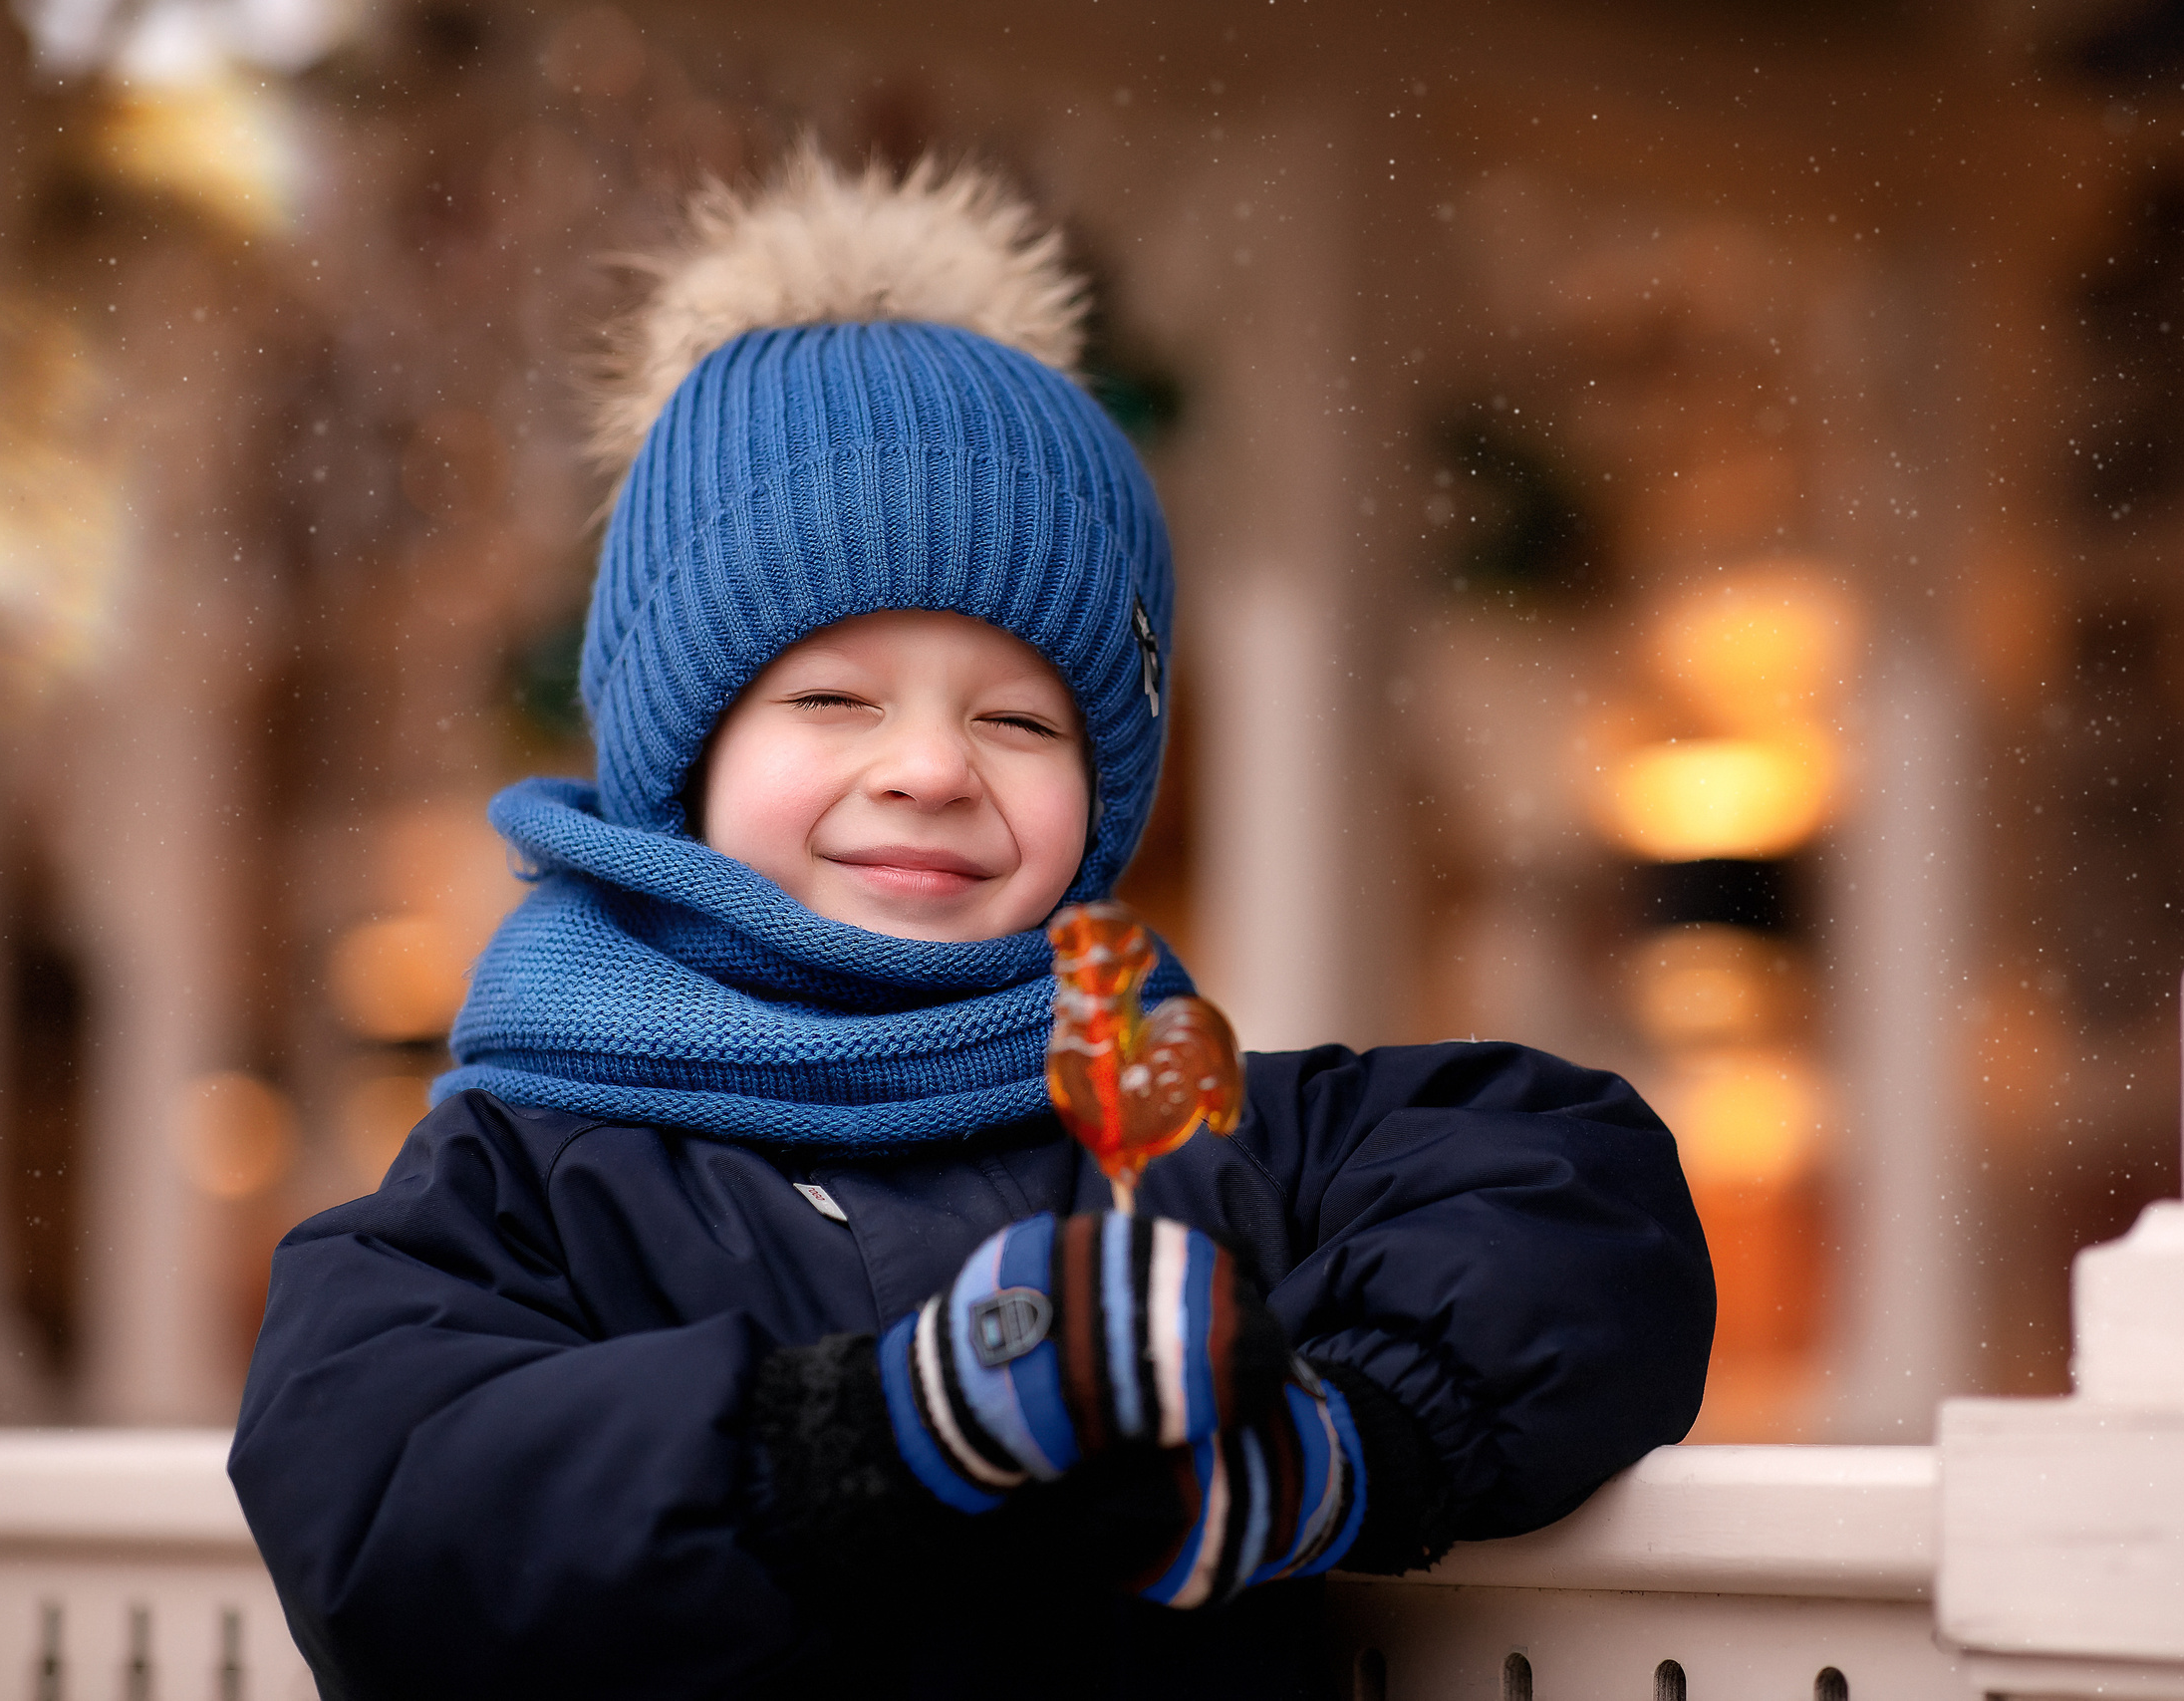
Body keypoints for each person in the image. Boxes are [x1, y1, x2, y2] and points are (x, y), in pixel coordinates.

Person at [228, 148, 1715, 1701]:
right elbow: (394, 1509)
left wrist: (1343, 1446)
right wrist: (873, 1434)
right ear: (682, 755)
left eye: (1020, 721)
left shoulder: (1186, 1128)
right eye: (830, 699)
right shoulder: (528, 1177)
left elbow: (1580, 1197)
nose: (932, 767)